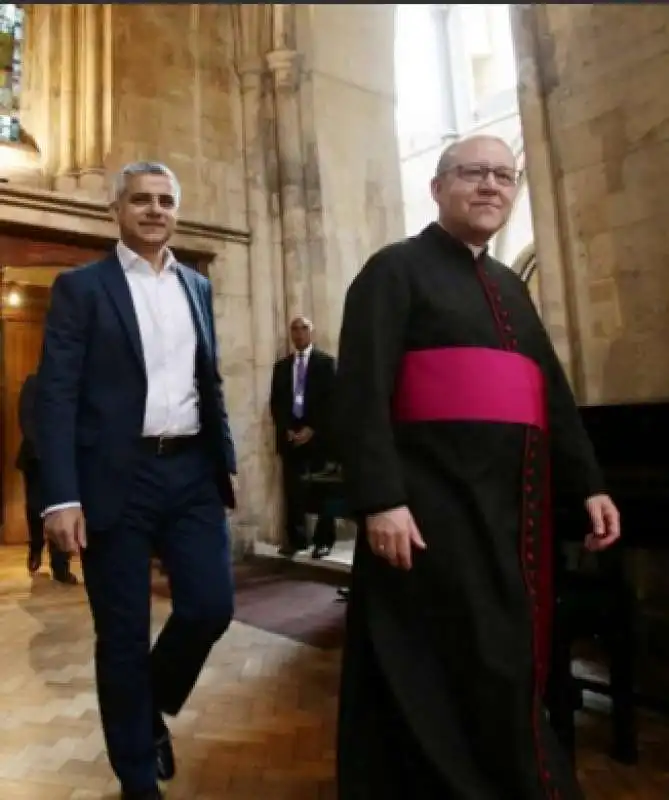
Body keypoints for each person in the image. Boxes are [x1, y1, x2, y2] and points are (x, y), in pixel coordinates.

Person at [334, 135, 621, 799]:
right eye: (472, 174)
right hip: (428, 514)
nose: (490, 186)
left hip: (510, 514)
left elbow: (550, 394)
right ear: (437, 188)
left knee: (499, 660)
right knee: (438, 666)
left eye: (502, 175)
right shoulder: (393, 270)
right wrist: (380, 499)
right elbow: (359, 393)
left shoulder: (508, 289)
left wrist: (590, 487)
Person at [35, 161, 237, 800]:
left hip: (191, 471)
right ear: (116, 210)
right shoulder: (82, 287)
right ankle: (136, 777)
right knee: (121, 634)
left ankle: (145, 708)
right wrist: (60, 494)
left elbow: (210, 378)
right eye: (142, 200)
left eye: (166, 201)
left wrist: (223, 457)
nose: (155, 210)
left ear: (176, 211)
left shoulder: (196, 286)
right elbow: (56, 394)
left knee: (210, 606)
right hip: (112, 480)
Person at [270, 316, 337, 558]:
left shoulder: (326, 363)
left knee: (324, 490)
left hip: (317, 436)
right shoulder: (281, 367)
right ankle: (297, 539)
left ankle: (324, 540)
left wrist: (313, 428)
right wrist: (287, 427)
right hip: (291, 436)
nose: (299, 333)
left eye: (304, 328)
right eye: (295, 329)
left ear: (312, 332)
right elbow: (276, 403)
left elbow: (331, 401)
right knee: (293, 490)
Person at [16, 372, 77, 584]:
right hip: (35, 459)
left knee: (61, 507)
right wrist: (43, 451)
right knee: (35, 508)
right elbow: (26, 419)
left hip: (63, 459)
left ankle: (61, 567)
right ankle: (35, 546)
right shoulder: (33, 383)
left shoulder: (71, 383)